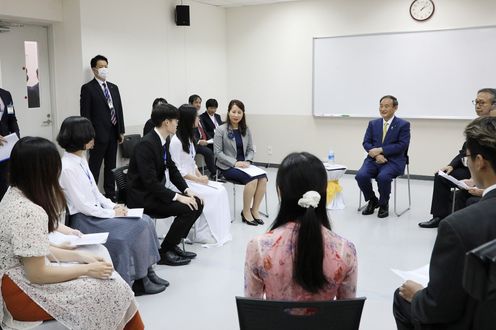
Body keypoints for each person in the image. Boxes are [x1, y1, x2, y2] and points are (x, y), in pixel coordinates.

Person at [0, 136, 143, 329]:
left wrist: (80, 256)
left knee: (104, 273)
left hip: (17, 280)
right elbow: (37, 273)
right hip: (20, 291)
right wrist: (86, 269)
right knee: (110, 286)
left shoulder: (13, 194)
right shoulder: (28, 210)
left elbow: (32, 248)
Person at [393, 116, 496, 330]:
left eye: (467, 157)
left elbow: (438, 307)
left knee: (402, 296)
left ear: (479, 161)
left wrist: (419, 295)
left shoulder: (458, 226)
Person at [57, 116, 167, 296]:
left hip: (97, 213)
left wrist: (114, 206)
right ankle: (138, 279)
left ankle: (147, 272)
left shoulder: (81, 159)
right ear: (79, 138)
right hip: (85, 220)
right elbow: (83, 206)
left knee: (145, 220)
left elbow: (96, 193)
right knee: (136, 228)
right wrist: (112, 213)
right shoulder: (67, 167)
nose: (94, 139)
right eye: (90, 136)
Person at [245, 151, 357, 300]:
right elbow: (346, 312)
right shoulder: (345, 250)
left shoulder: (258, 248)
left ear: (280, 192)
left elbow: (253, 307)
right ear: (323, 193)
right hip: (324, 324)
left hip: (276, 324)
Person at [127, 103, 203, 266]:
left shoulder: (162, 141)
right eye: (176, 120)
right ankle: (164, 251)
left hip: (155, 192)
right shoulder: (146, 145)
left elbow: (173, 169)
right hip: (143, 197)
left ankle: (172, 245)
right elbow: (150, 182)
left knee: (197, 202)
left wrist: (187, 190)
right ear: (166, 123)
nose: (178, 123)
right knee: (188, 209)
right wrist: (177, 197)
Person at [419, 88, 496, 228]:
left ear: (494, 105)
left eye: (482, 103)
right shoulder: (476, 125)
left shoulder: (491, 127)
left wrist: (479, 184)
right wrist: (452, 165)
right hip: (472, 169)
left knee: (463, 195)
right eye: (476, 102)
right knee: (441, 176)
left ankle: (459, 225)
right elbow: (463, 152)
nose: (477, 105)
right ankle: (439, 216)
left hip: (488, 172)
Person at [169, 105, 232, 246]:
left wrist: (201, 177)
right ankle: (204, 234)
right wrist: (198, 179)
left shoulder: (190, 138)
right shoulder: (176, 142)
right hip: (181, 183)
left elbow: (192, 163)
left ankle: (219, 231)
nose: (198, 119)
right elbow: (177, 172)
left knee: (221, 190)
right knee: (213, 194)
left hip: (192, 178)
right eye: (196, 116)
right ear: (188, 119)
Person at [355, 95, 411, 218]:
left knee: (383, 177)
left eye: (387, 106)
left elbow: (402, 145)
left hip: (394, 160)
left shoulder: (403, 125)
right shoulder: (373, 123)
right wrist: (376, 156)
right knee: (361, 176)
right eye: (381, 106)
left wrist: (381, 150)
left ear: (395, 108)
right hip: (373, 159)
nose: (383, 109)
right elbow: (366, 142)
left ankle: (384, 203)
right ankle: (373, 200)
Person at [214, 99, 268, 226]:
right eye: (233, 112)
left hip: (245, 165)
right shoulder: (221, 130)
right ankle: (245, 212)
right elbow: (218, 153)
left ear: (243, 114)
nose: (236, 115)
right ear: (228, 112)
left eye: (239, 112)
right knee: (252, 180)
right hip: (228, 166)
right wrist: (235, 162)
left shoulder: (246, 129)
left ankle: (254, 210)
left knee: (263, 178)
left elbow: (250, 149)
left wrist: (248, 160)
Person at [80, 54, 125, 201]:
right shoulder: (88, 88)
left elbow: (118, 110)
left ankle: (110, 194)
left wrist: (121, 131)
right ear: (94, 70)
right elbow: (85, 115)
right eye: (101, 67)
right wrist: (89, 136)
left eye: (106, 66)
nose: (104, 69)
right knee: (94, 167)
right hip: (97, 135)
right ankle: (91, 195)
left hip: (113, 133)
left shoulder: (114, 87)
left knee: (111, 166)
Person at [189, 94, 216, 179]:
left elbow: (203, 131)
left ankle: (221, 170)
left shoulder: (199, 116)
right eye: (196, 102)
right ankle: (214, 173)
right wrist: (199, 141)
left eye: (200, 103)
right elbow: (188, 133)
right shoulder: (188, 116)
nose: (198, 105)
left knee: (218, 146)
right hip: (194, 143)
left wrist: (211, 139)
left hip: (204, 141)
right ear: (190, 103)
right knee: (208, 152)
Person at [0, 87, 20, 200]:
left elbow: (12, 118)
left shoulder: (6, 94)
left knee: (5, 181)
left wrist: (17, 135)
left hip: (6, 148)